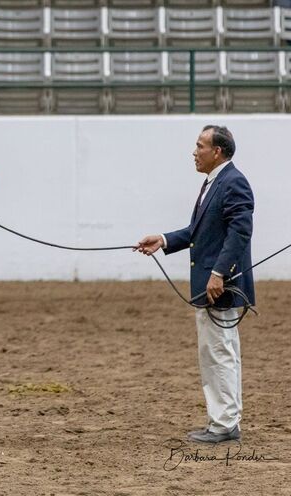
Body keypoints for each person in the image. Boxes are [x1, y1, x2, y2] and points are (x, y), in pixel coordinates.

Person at [136, 125, 254, 443]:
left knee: (220, 352)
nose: (194, 151)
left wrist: (219, 273)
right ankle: (222, 420)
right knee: (215, 351)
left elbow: (239, 233)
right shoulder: (214, 183)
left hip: (220, 285)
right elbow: (197, 231)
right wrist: (162, 240)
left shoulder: (233, 183)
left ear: (217, 151)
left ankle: (225, 423)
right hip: (212, 283)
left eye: (200, 145)